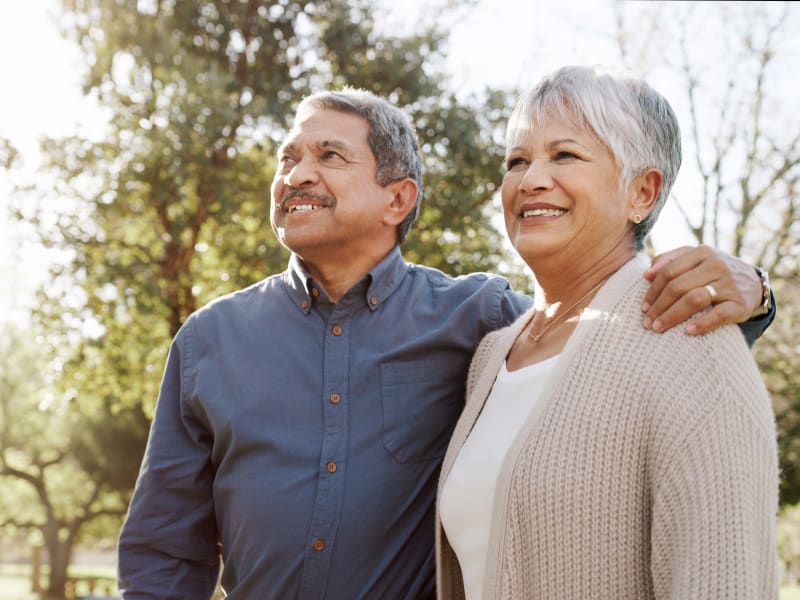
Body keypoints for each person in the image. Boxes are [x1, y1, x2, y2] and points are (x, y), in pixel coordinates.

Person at [117, 87, 775, 599]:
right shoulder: (209, 341)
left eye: (329, 157)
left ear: (397, 198)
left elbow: (606, 339)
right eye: (289, 157)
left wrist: (752, 292)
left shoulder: (481, 322)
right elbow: (165, 552)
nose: (295, 175)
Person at [436, 66, 778, 599]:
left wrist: (759, 290)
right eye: (517, 161)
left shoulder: (694, 345)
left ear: (642, 192)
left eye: (565, 155)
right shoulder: (492, 355)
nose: (530, 180)